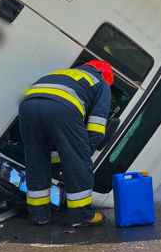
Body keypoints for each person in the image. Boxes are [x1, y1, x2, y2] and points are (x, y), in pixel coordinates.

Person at [19, 60, 113, 227]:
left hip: (28, 106)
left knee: (36, 160)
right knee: (78, 162)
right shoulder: (101, 83)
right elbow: (97, 128)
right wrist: (84, 152)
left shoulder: (63, 73)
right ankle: (82, 216)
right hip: (62, 107)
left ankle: (39, 215)